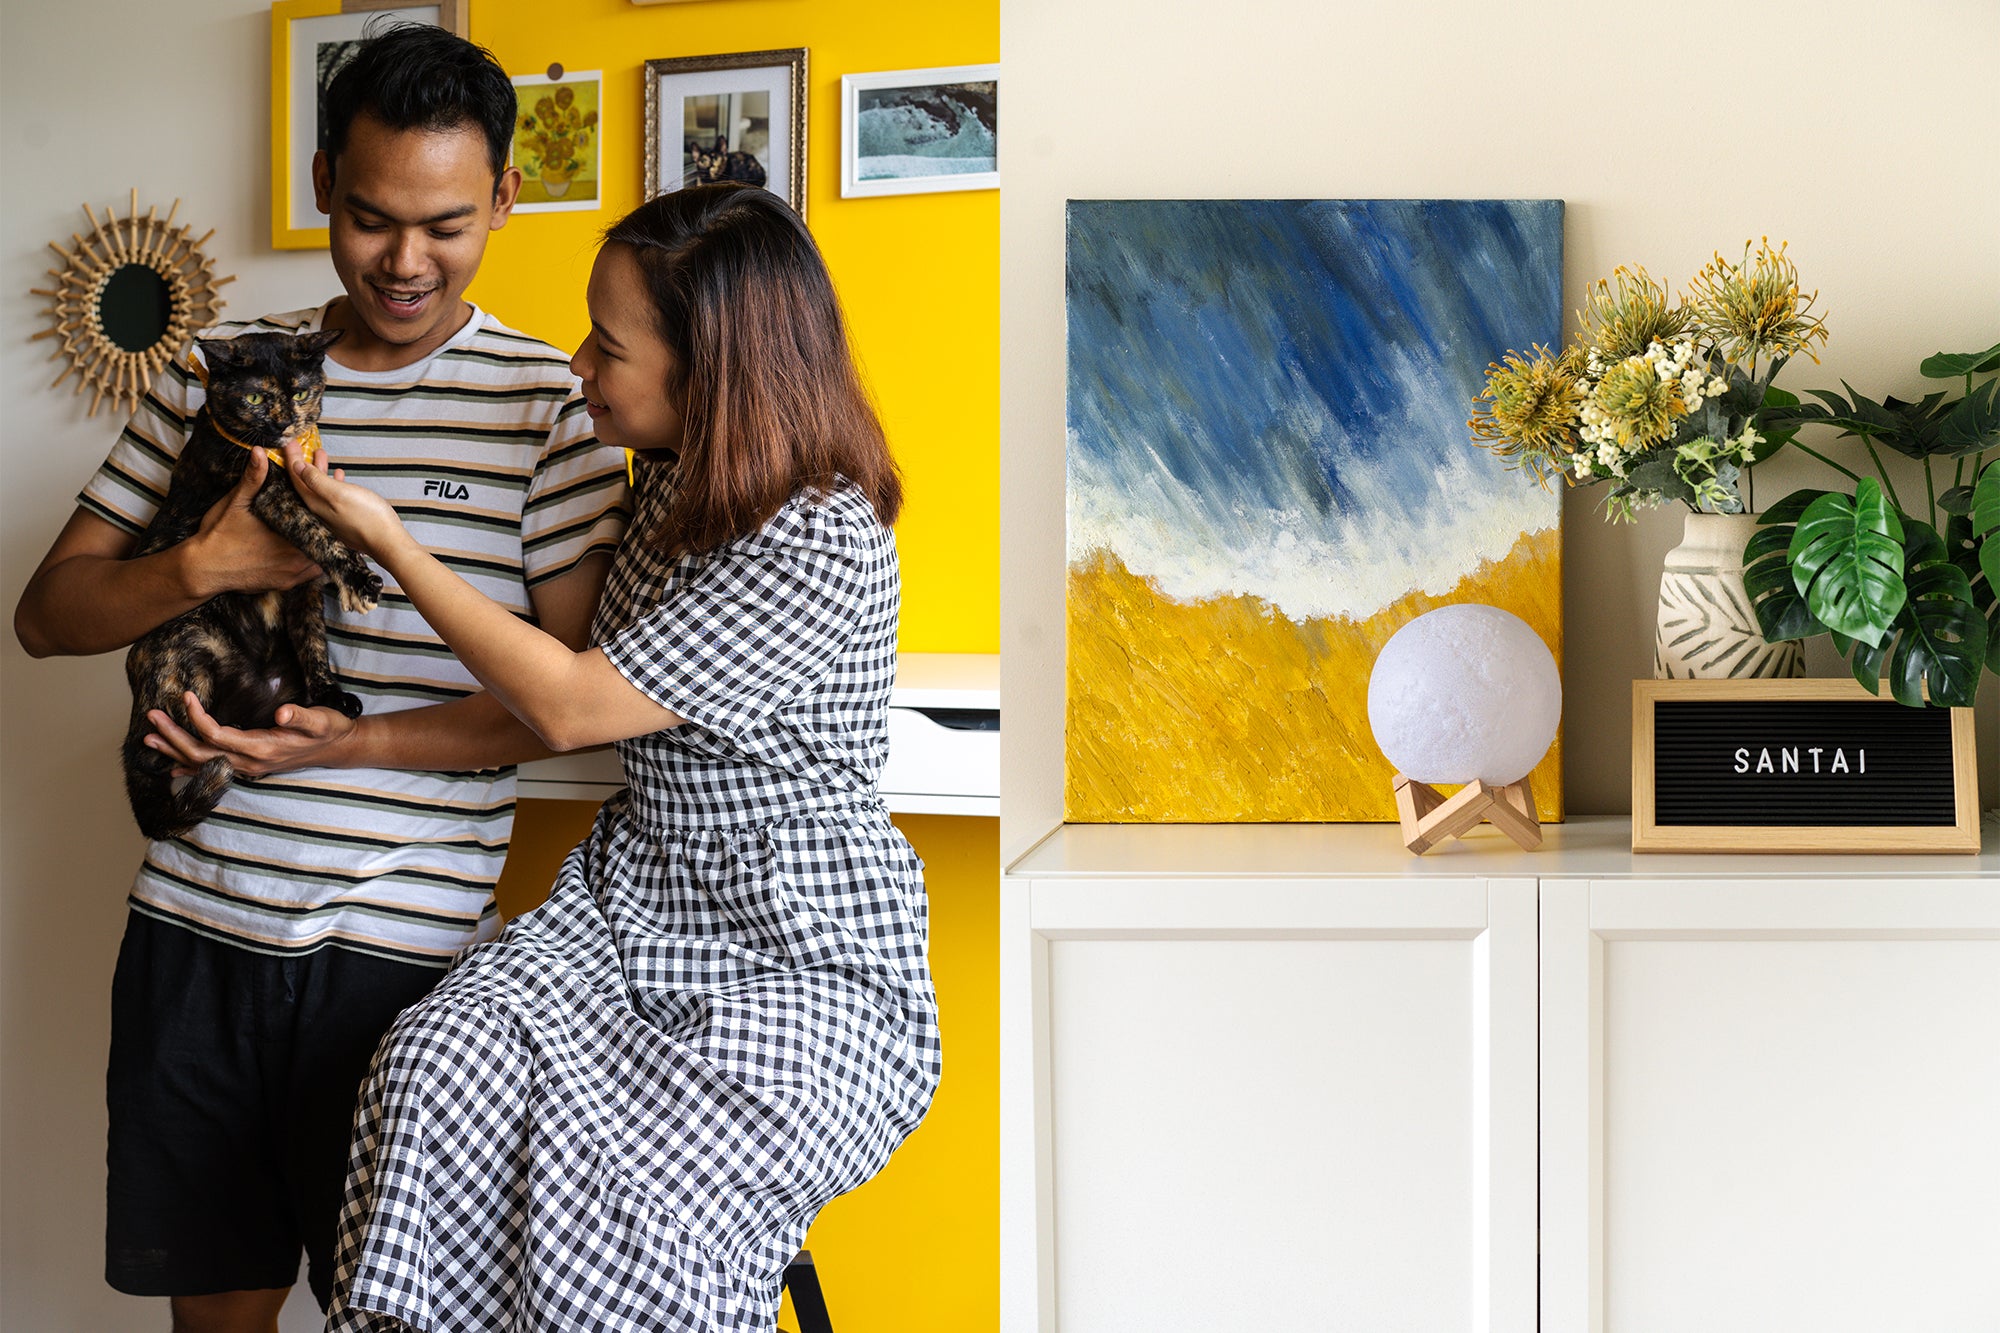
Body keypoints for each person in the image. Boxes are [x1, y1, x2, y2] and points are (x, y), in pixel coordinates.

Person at [10, 25, 627, 1333]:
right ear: (320, 185)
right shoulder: (223, 374)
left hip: (404, 974)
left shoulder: (551, 408)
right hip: (192, 934)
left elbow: (566, 707)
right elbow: (47, 614)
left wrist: (346, 749)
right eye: (369, 218)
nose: (406, 261)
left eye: (448, 224)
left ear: (508, 197)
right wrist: (199, 568)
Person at [276, 184, 941, 1331]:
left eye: (609, 344)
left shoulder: (819, 533)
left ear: (712, 365)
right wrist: (352, 739)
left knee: (639, 1195)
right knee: (436, 1065)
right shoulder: (671, 481)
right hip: (630, 897)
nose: (580, 362)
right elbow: (550, 703)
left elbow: (575, 706)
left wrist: (388, 535)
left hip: (794, 939)